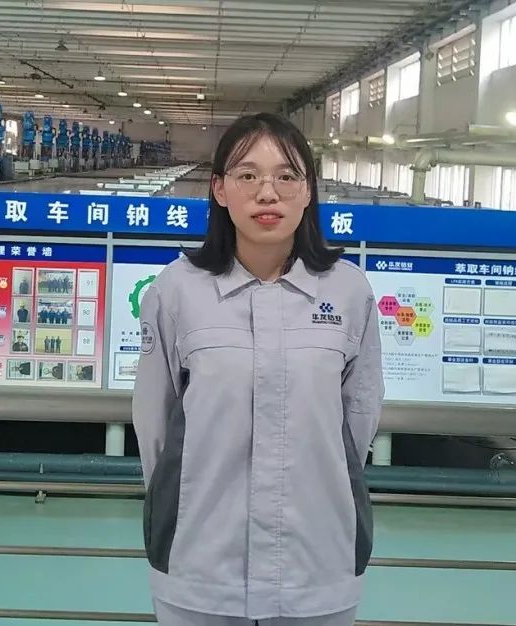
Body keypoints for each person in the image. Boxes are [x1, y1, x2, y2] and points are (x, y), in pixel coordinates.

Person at [132, 113, 384, 626]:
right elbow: (155, 422)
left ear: (308, 190)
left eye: (286, 176)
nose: (267, 192)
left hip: (317, 559)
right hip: (201, 560)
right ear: (220, 189)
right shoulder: (176, 290)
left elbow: (357, 420)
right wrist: (181, 502)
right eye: (247, 175)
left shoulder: (349, 291)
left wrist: (320, 479)